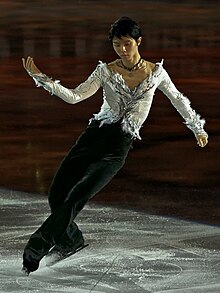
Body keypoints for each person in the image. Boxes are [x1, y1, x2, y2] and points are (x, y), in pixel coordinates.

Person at [21, 16, 208, 275]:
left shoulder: (156, 73)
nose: (122, 49)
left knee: (78, 195)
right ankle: (71, 241)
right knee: (57, 194)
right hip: (93, 138)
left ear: (138, 41)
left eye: (127, 43)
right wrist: (43, 80)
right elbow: (76, 97)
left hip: (117, 147)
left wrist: (197, 127)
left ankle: (36, 248)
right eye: (117, 44)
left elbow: (177, 98)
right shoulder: (106, 71)